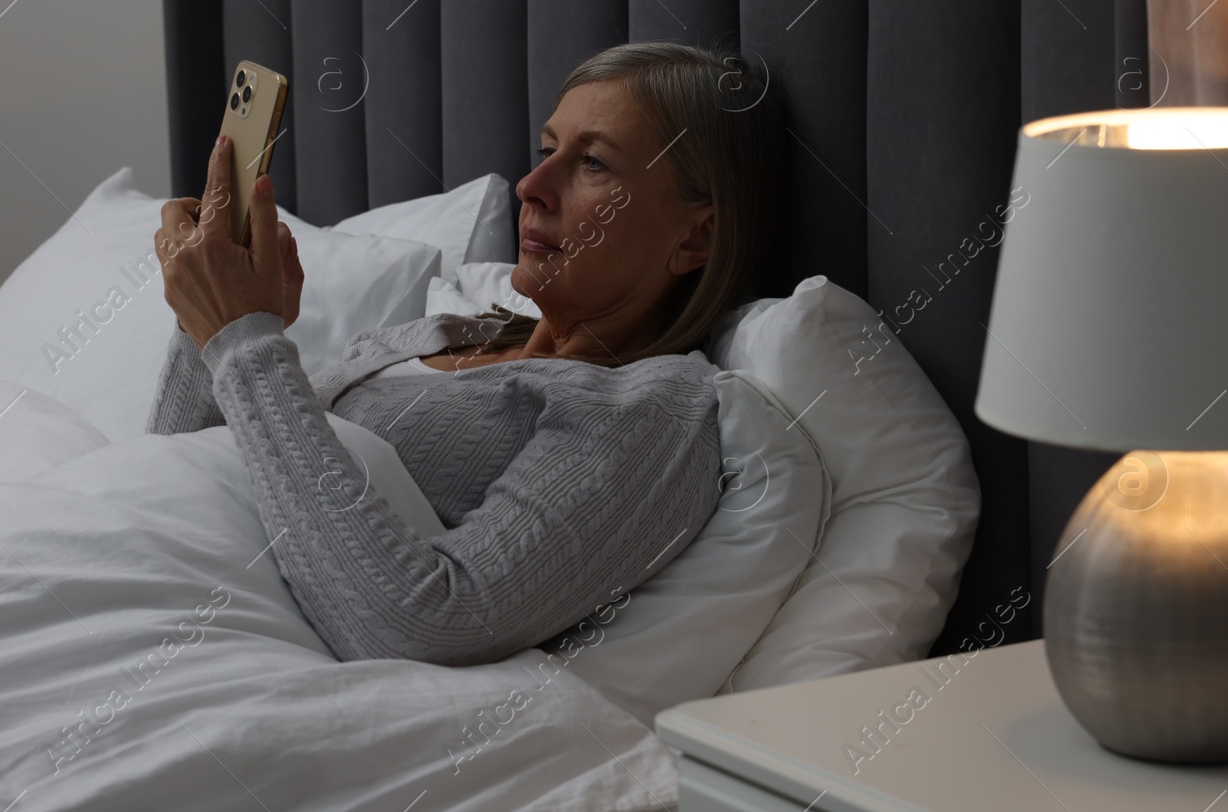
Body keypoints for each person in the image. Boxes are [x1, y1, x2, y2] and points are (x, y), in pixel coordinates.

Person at [147, 41, 787, 666]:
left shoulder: (649, 410)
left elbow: (429, 625)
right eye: (546, 150)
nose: (531, 186)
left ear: (697, 236)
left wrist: (244, 340)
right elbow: (186, 473)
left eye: (594, 163)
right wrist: (208, 318)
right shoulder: (446, 333)